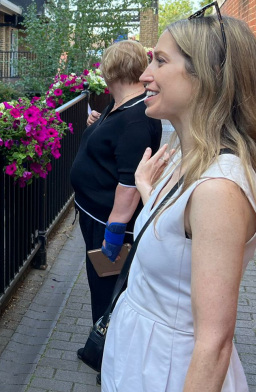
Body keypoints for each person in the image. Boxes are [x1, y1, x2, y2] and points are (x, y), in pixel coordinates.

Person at [101, 5, 256, 391]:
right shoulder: (190, 160)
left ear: (207, 77)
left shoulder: (220, 188)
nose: (145, 75)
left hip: (169, 371)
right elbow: (181, 233)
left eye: (161, 61)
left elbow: (214, 344)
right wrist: (149, 193)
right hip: (147, 361)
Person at [70, 40, 162, 369]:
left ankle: (107, 358)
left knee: (108, 288)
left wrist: (114, 230)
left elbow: (128, 183)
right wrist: (99, 123)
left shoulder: (135, 119)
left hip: (109, 225)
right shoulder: (122, 106)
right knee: (103, 285)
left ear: (111, 71)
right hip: (97, 216)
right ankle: (106, 350)